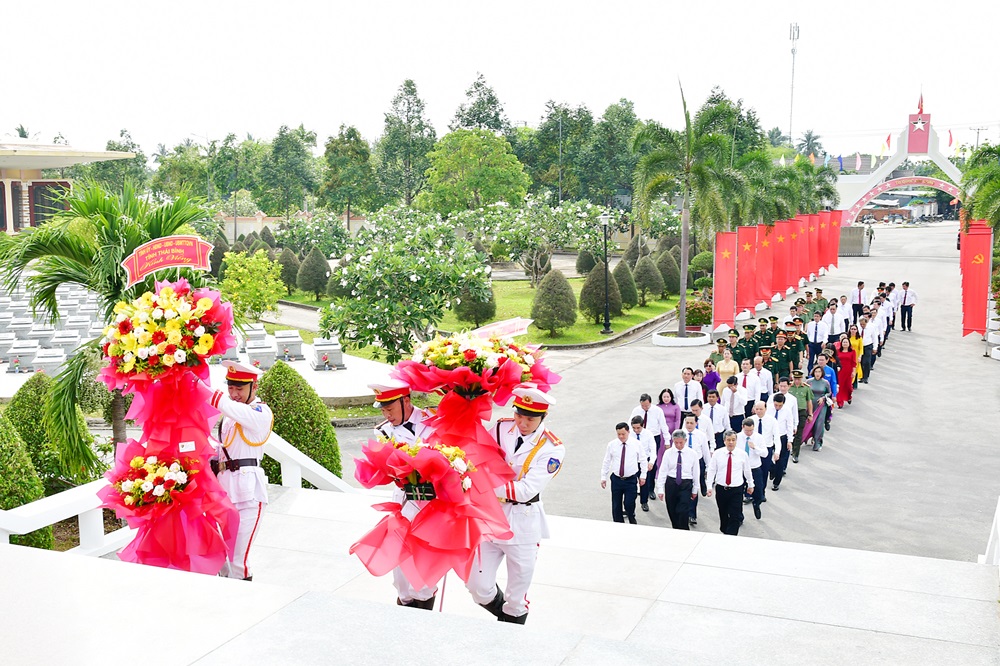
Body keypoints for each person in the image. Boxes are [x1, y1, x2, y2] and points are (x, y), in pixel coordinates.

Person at [468, 384, 564, 625]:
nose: (522, 423)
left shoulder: (553, 448)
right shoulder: (501, 428)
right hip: (491, 519)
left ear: (543, 417)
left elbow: (525, 491)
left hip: (523, 525)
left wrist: (483, 480)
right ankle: (505, 617)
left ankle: (510, 632)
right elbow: (478, 453)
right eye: (519, 415)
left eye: (530, 419)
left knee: (516, 597)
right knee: (477, 586)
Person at [368, 379, 439, 608]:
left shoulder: (432, 422)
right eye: (384, 410)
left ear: (405, 400)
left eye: (390, 408)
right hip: (403, 500)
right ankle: (405, 613)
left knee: (423, 570)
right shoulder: (383, 431)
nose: (387, 414)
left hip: (431, 503)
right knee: (400, 574)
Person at [206, 361, 273, 582]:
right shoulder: (231, 415)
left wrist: (198, 385)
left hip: (248, 495)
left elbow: (228, 406)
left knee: (237, 559)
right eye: (231, 388)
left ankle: (245, 604)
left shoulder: (260, 412)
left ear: (254, 387)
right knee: (222, 559)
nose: (234, 393)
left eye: (240, 388)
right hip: (224, 492)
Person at [706, 430, 755, 536]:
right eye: (728, 440)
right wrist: (709, 486)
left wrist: (750, 484)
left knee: (735, 514)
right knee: (723, 513)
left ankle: (731, 536)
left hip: (736, 489)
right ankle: (725, 531)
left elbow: (747, 470)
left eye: (733, 440)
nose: (731, 442)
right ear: (724, 441)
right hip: (721, 488)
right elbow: (712, 470)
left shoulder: (742, 454)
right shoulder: (717, 454)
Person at [655, 429, 701, 530]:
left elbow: (696, 472)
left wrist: (695, 489)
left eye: (681, 442)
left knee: (683, 510)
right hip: (671, 483)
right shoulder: (668, 453)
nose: (679, 445)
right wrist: (660, 489)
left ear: (685, 441)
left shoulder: (692, 454)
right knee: (672, 509)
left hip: (685, 484)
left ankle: (684, 530)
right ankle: (676, 529)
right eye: (676, 442)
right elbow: (663, 471)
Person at [600, 422, 645, 524]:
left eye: (623, 434)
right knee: (616, 505)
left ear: (628, 432)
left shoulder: (636, 444)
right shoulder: (612, 445)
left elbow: (643, 460)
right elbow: (607, 461)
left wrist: (643, 476)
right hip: (616, 479)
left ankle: (631, 517)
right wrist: (603, 477)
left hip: (630, 479)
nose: (621, 436)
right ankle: (618, 524)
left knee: (629, 503)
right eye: (618, 434)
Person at [630, 394, 667, 512]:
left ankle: (648, 493)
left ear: (650, 403)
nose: (644, 408)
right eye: (642, 405)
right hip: (634, 456)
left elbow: (663, 425)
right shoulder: (636, 411)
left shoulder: (657, 411)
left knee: (649, 470)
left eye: (646, 405)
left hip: (653, 437)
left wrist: (667, 440)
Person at [681, 415, 712, 526]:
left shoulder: (701, 435)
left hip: (697, 463)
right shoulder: (680, 434)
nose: (689, 425)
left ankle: (692, 514)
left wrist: (709, 467)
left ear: (696, 423)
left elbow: (705, 451)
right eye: (687, 422)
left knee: (694, 487)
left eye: (691, 423)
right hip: (684, 463)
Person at [736, 418, 768, 520]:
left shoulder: (759, 437)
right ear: (742, 428)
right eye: (747, 431)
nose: (749, 433)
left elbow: (765, 454)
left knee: (758, 491)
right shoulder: (737, 437)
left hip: (754, 468)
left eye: (751, 430)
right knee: (737, 493)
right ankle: (739, 516)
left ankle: (756, 504)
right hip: (740, 469)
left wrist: (755, 448)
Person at [767, 393, 795, 490]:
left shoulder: (787, 410)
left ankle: (776, 482)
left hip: (782, 436)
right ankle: (772, 469)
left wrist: (790, 440)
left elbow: (790, 425)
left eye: (780, 405)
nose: (777, 407)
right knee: (767, 456)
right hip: (770, 436)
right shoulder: (769, 409)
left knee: (781, 460)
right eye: (776, 405)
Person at [786, 370, 814, 464]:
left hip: (801, 411)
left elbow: (809, 402)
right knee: (789, 431)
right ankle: (791, 447)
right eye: (795, 379)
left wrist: (810, 414)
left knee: (799, 432)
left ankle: (795, 453)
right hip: (789, 412)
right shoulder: (789, 387)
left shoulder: (806, 388)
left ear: (801, 379)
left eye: (798, 379)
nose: (797, 381)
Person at [806, 366, 833, 451]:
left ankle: (818, 442)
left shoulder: (825, 383)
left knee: (819, 424)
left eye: (819, 372)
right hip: (810, 404)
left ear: (822, 373)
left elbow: (829, 393)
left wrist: (823, 398)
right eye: (816, 372)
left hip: (821, 405)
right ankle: (809, 437)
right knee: (810, 423)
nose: (817, 374)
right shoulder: (809, 382)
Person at [835, 337, 857, 407]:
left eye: (846, 342)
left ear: (849, 343)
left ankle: (849, 397)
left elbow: (854, 363)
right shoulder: (838, 351)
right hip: (840, 371)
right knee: (840, 386)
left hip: (848, 371)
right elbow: (835, 360)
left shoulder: (853, 352)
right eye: (843, 342)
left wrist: (853, 372)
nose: (845, 343)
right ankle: (840, 402)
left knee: (848, 387)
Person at [860, 316, 878, 382]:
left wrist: (875, 347)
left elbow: (874, 338)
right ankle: (861, 376)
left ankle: (866, 377)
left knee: (867, 362)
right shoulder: (858, 328)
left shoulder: (871, 328)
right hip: (860, 346)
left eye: (863, 324)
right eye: (861, 324)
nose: (862, 325)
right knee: (861, 362)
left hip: (868, 346)